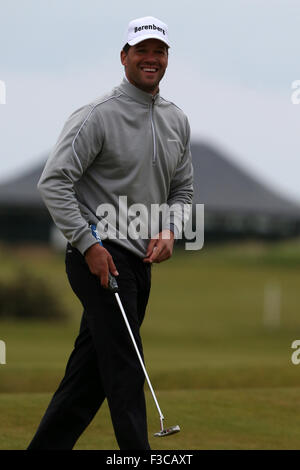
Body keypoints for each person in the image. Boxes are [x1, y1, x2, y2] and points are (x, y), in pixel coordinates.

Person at [27, 15, 193, 450]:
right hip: (98, 255)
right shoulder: (96, 116)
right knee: (124, 367)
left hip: (139, 262)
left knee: (89, 376)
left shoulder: (177, 120)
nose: (151, 58)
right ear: (124, 56)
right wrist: (88, 243)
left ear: (167, 59)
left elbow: (183, 188)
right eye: (142, 51)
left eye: (159, 51)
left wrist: (171, 229)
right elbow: (54, 181)